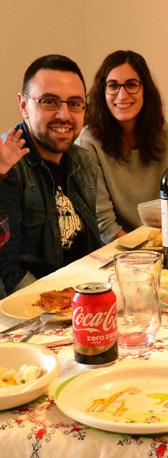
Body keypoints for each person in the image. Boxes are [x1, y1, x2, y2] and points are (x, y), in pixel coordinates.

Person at [0, 55, 101, 298]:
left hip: (81, 296)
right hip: (33, 308)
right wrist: (59, 304)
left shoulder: (83, 161)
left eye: (75, 103)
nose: (64, 115)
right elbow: (7, 273)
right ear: (24, 105)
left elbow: (89, 249)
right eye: (49, 102)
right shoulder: (7, 166)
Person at [77, 50, 168, 243]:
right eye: (113, 86)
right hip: (113, 248)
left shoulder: (163, 133)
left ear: (145, 88)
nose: (122, 94)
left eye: (131, 85)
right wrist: (142, 250)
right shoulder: (89, 142)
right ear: (103, 92)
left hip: (158, 240)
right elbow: (103, 223)